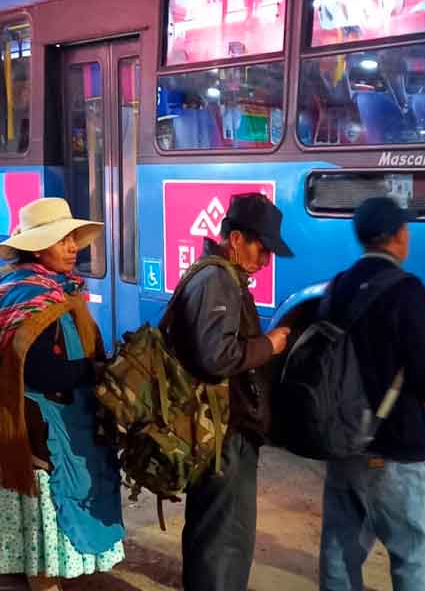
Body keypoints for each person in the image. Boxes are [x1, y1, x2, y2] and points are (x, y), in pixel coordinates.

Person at [0, 197, 125, 591]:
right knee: (43, 548)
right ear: (35, 246)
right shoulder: (38, 299)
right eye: (62, 240)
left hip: (20, 426)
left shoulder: (15, 289)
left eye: (72, 239)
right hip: (40, 437)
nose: (72, 248)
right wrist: (100, 371)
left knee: (34, 547)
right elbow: (45, 372)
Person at [163, 192, 293, 591]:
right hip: (224, 435)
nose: (265, 260)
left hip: (222, 430)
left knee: (214, 533)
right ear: (235, 239)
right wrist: (268, 346)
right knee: (225, 539)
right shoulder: (217, 279)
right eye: (261, 247)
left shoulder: (219, 275)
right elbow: (216, 355)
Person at [318, 197, 425, 591]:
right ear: (397, 237)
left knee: (340, 554)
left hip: (344, 446)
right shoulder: (408, 292)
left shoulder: (337, 287)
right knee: (413, 557)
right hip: (397, 451)